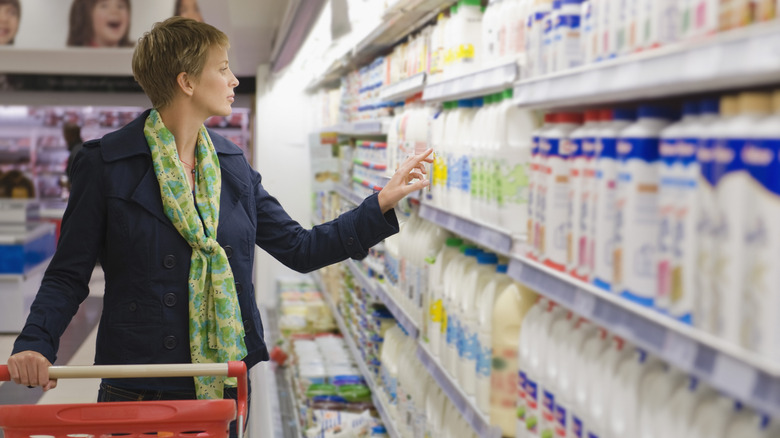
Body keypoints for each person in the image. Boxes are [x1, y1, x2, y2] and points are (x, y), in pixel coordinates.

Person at [7, 16, 430, 437]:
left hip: (221, 384)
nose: (233, 80)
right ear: (187, 82)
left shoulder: (232, 168)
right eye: (223, 68)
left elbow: (300, 249)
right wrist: (34, 342)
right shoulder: (105, 166)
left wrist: (379, 204)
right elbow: (68, 274)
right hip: (137, 388)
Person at [67, 0, 133, 47]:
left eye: (120, 6)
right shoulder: (75, 59)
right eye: (104, 6)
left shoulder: (136, 57)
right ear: (85, 14)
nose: (115, 11)